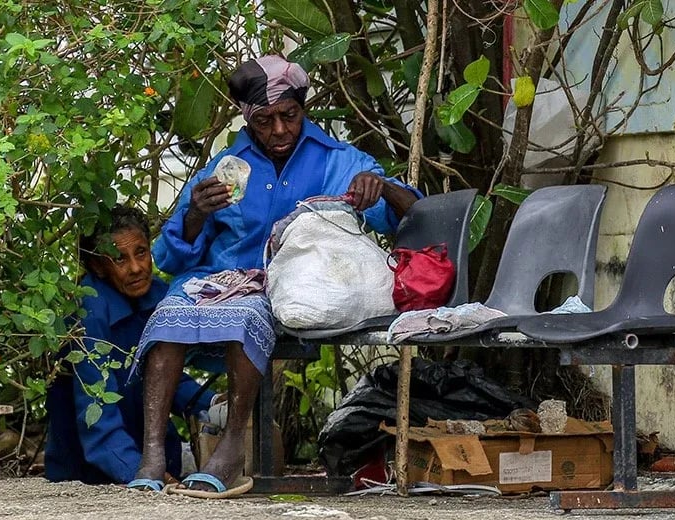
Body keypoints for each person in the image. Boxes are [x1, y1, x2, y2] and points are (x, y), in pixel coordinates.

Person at [134, 55, 421, 497]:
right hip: (218, 279)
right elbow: (169, 256)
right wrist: (195, 212)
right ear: (249, 121)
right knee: (169, 312)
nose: (280, 130)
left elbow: (411, 216)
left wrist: (382, 187)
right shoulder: (227, 165)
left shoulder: (338, 161)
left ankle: (231, 450)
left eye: (289, 116)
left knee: (246, 312)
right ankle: (152, 454)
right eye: (266, 121)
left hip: (287, 288)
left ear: (302, 110)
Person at [44, 205, 217, 487]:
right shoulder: (88, 311)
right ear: (98, 266)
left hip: (155, 458)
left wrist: (211, 404)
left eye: (141, 252)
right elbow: (96, 412)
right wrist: (142, 473)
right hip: (91, 470)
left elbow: (164, 376)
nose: (136, 268)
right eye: (119, 259)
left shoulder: (160, 294)